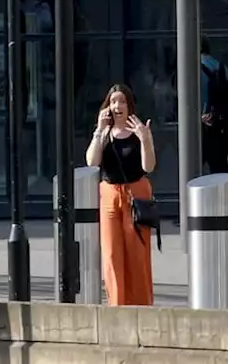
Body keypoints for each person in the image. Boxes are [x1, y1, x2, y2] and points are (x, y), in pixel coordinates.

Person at [86, 83, 156, 306]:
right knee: (112, 256)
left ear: (129, 106)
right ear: (108, 106)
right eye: (114, 101)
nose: (118, 105)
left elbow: (149, 166)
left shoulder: (139, 132)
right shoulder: (104, 134)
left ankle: (142, 307)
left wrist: (145, 138)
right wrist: (99, 129)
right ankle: (117, 307)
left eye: (122, 101)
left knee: (137, 256)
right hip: (109, 195)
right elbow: (92, 162)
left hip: (136, 194)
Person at [200, 38, 228, 175]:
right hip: (220, 124)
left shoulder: (190, 70)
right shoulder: (222, 68)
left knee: (193, 169)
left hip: (201, 124)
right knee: (219, 167)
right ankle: (221, 196)